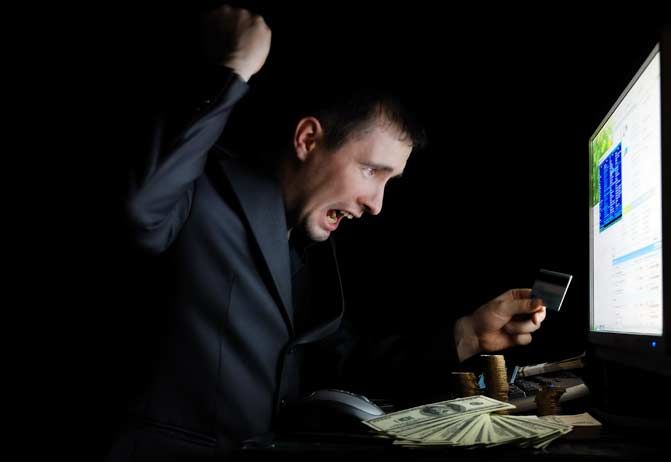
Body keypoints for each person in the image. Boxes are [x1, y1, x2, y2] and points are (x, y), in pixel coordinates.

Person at [106, 5, 546, 460]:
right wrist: (234, 71)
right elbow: (141, 212)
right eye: (371, 171)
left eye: (389, 181)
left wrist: (468, 335)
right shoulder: (200, 193)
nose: (376, 204)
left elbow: (338, 362)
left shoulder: (307, 246)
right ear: (308, 140)